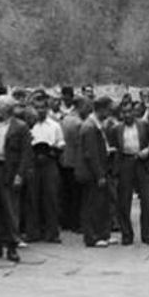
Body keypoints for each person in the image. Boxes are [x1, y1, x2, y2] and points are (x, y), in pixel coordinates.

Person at [0, 95, 33, 262]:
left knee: (10, 209)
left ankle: (12, 245)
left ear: (7, 108)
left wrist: (20, 174)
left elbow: (26, 153)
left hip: (9, 170)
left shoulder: (20, 127)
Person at [113, 102, 149, 245]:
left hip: (143, 163)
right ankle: (127, 234)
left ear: (134, 112)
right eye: (124, 112)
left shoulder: (143, 125)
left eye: (129, 112)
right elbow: (114, 147)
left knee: (147, 200)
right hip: (126, 163)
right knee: (124, 201)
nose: (127, 115)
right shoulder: (117, 129)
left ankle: (147, 234)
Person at [75, 96, 116, 247]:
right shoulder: (90, 127)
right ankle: (92, 236)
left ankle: (103, 234)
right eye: (108, 110)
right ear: (102, 109)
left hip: (98, 170)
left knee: (102, 203)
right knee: (92, 204)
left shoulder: (96, 125)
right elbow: (91, 154)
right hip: (91, 173)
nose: (110, 113)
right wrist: (99, 174)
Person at [30, 96, 66, 243]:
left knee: (51, 197)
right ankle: (33, 232)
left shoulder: (54, 125)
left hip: (50, 161)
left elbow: (61, 141)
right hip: (33, 162)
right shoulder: (30, 125)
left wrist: (57, 147)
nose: (40, 111)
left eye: (42, 108)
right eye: (37, 108)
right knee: (32, 197)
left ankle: (52, 232)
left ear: (47, 109)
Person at [60, 96, 90, 233]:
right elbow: (81, 145)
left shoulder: (65, 119)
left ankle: (67, 221)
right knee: (78, 195)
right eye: (87, 107)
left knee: (67, 193)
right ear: (81, 106)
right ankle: (76, 223)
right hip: (76, 161)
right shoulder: (79, 123)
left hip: (65, 160)